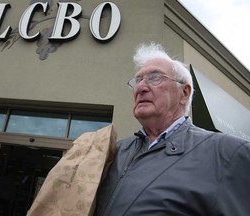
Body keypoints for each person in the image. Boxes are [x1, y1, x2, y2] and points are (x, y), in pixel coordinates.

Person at [95, 42, 250, 216]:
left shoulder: (228, 154)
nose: (140, 87)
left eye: (155, 77)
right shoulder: (116, 152)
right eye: (138, 80)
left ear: (184, 93)